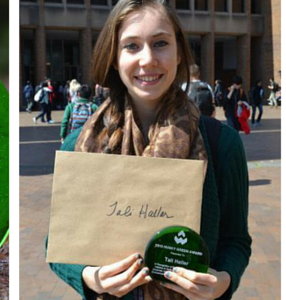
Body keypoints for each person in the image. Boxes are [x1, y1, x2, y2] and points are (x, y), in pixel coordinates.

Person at [48, 0, 251, 299]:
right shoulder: (78, 146)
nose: (148, 60)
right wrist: (89, 277)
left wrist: (223, 279)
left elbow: (236, 241)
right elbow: (57, 241)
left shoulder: (223, 144)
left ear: (179, 52)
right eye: (131, 46)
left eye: (160, 43)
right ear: (114, 58)